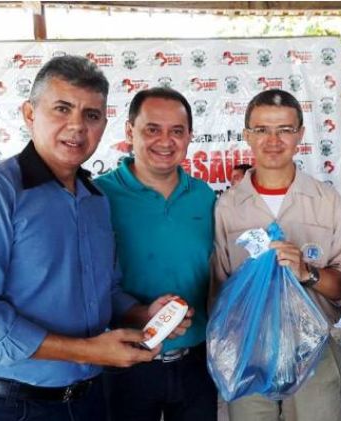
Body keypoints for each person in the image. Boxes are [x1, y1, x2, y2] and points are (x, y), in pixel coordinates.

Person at [0, 56, 190, 421]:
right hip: (9, 403)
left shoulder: (94, 199)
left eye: (91, 115)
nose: (77, 126)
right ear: (29, 114)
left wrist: (143, 314)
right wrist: (86, 350)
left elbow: (105, 291)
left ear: (103, 125)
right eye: (62, 109)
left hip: (86, 399)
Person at [211, 89, 341, 421]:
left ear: (300, 135)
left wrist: (308, 273)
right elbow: (219, 289)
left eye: (285, 129)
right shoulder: (228, 207)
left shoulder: (326, 201)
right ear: (247, 135)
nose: (273, 140)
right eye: (262, 129)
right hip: (248, 349)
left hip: (313, 347)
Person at [95, 87, 218, 421]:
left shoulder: (204, 196)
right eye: (152, 129)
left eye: (176, 131)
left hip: (196, 362)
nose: (165, 141)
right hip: (125, 359)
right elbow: (87, 285)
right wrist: (140, 314)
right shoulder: (98, 196)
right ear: (129, 131)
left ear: (189, 136)